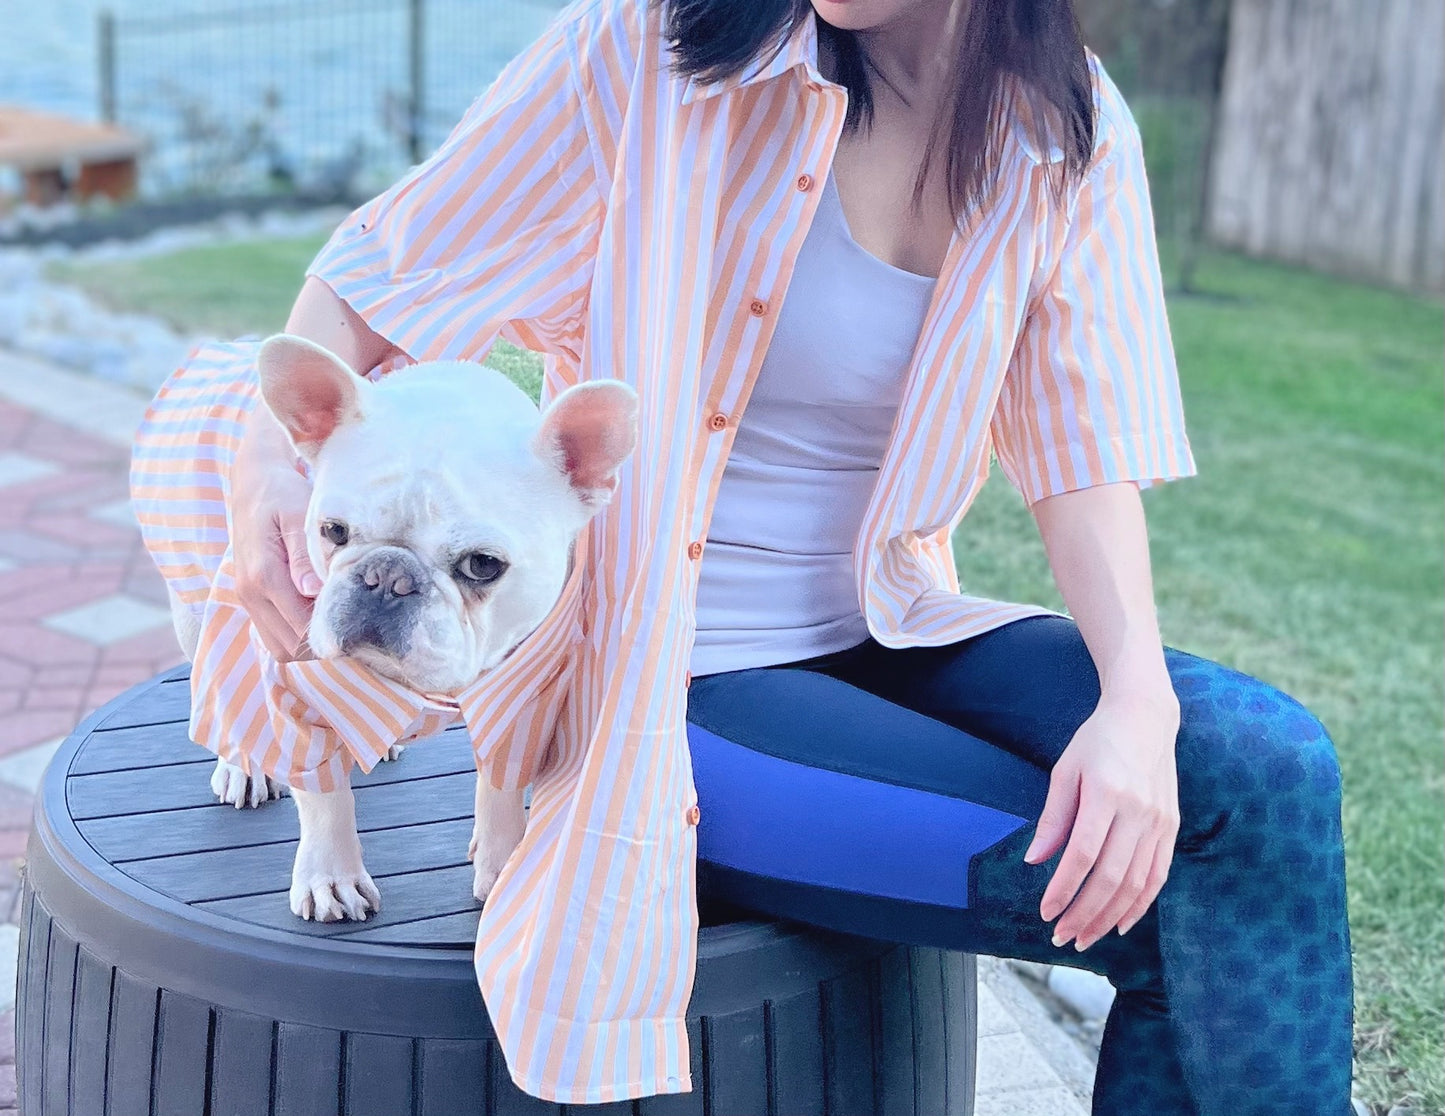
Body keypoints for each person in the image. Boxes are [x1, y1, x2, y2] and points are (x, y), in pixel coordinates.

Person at [133, 0, 1355, 1109]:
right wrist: (263, 465)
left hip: (894, 623)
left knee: (1267, 765)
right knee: (1176, 907)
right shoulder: (649, 48)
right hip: (676, 678)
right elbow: (382, 268)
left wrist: (1135, 702)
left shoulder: (1066, 131)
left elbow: (1084, 455)